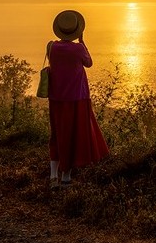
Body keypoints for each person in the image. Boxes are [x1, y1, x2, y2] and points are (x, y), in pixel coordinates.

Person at [46, 10, 109, 187]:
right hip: (77, 98)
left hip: (56, 98)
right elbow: (89, 63)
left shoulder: (51, 46)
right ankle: (65, 177)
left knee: (58, 134)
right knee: (73, 135)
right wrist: (82, 41)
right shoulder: (78, 48)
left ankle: (53, 177)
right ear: (77, 30)